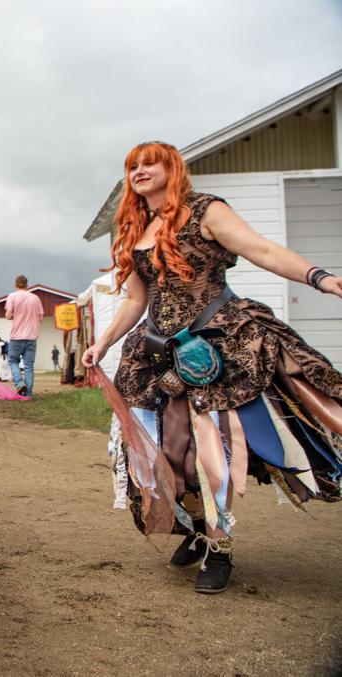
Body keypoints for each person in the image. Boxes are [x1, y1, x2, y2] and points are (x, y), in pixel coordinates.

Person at [82, 141, 342, 594]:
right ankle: (196, 527)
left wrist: (319, 277)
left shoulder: (206, 211)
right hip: (156, 352)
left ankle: (220, 547)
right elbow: (138, 299)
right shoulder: (138, 226)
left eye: (150, 164)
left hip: (216, 347)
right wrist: (102, 342)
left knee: (210, 452)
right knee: (164, 451)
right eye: (132, 167)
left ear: (172, 169)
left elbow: (262, 250)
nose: (140, 172)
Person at [4, 275, 43, 397]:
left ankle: (19, 383)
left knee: (13, 361)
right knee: (29, 366)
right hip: (32, 337)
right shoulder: (35, 298)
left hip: (17, 336)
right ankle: (28, 394)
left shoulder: (12, 296)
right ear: (27, 285)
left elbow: (8, 316)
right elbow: (41, 317)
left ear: (16, 284)